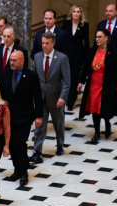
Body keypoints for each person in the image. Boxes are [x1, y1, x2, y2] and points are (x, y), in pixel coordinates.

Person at [0, 51, 43, 186]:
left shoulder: (31, 76)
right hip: (8, 117)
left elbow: (38, 97)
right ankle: (17, 170)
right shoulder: (3, 75)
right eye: (10, 60)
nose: (11, 62)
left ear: (22, 61)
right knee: (11, 144)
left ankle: (24, 172)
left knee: (19, 143)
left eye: (14, 60)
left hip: (25, 116)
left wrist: (39, 116)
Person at [77, 28, 117, 142]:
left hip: (107, 85)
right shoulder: (91, 51)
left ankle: (107, 123)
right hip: (93, 84)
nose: (97, 39)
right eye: (96, 37)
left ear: (106, 38)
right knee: (94, 108)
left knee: (104, 108)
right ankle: (97, 133)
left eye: (100, 37)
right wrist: (80, 82)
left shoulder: (113, 52)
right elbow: (85, 68)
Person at [30, 32, 70, 163]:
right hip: (41, 99)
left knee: (58, 124)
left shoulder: (62, 58)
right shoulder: (37, 57)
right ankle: (37, 151)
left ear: (53, 43)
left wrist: (63, 97)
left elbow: (66, 81)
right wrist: (33, 95)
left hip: (56, 98)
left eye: (47, 43)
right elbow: (35, 78)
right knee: (40, 125)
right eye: (42, 43)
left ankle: (60, 145)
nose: (44, 46)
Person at [62, 5, 90, 111]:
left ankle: (70, 101)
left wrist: (88, 56)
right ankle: (64, 97)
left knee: (74, 77)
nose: (76, 13)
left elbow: (86, 41)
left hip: (79, 54)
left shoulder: (84, 25)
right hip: (67, 54)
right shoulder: (66, 23)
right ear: (71, 13)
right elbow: (63, 39)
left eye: (78, 11)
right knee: (66, 76)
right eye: (74, 11)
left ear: (81, 13)